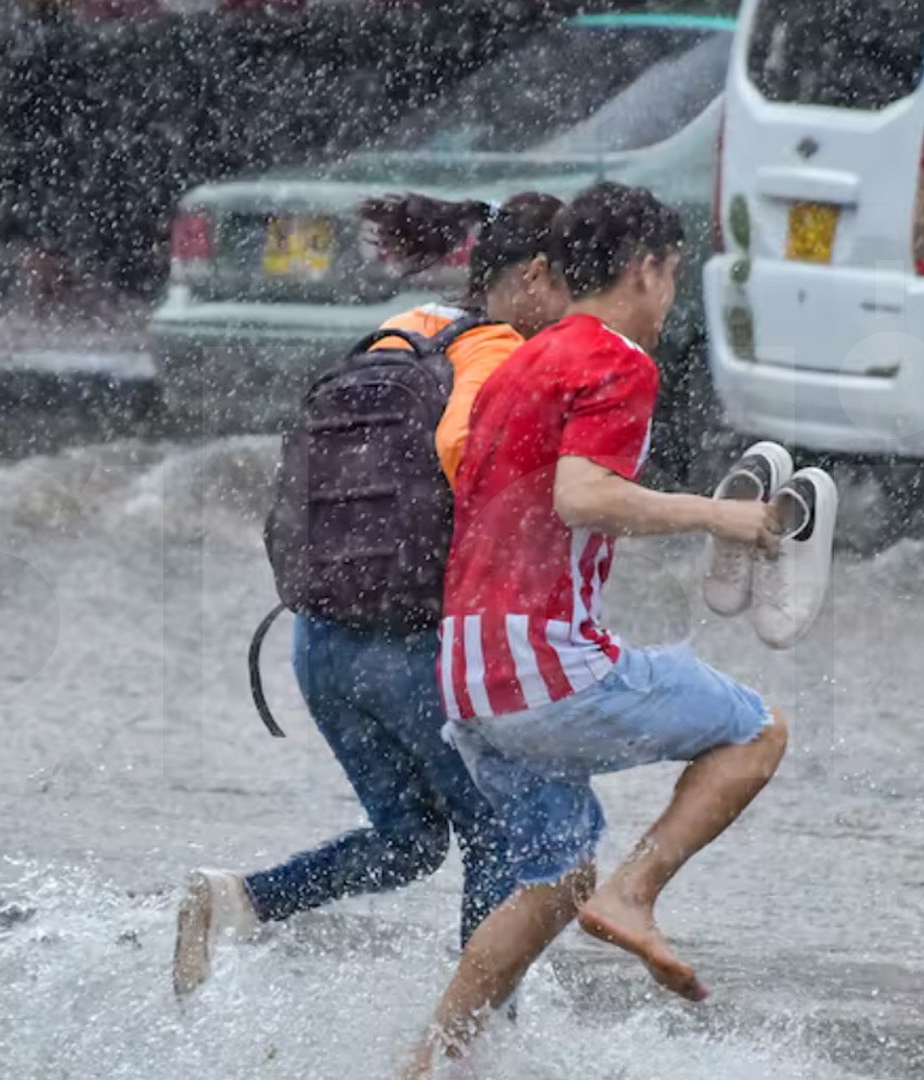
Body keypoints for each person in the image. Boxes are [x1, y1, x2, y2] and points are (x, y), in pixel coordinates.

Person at [402, 182, 793, 1076]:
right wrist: (719, 518)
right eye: (672, 274)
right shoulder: (616, 360)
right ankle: (638, 892)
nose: (670, 295)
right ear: (645, 269)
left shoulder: (519, 363)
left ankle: (429, 1063)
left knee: (554, 878)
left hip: (466, 676)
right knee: (758, 732)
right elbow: (582, 495)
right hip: (543, 670)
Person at [172, 192, 572, 1001]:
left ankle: (239, 899)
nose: (573, 310)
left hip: (320, 641)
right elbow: (465, 452)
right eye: (571, 286)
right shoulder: (495, 350)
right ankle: (477, 1040)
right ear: (534, 278)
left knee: (412, 840)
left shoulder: (402, 329)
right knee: (500, 832)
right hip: (411, 650)